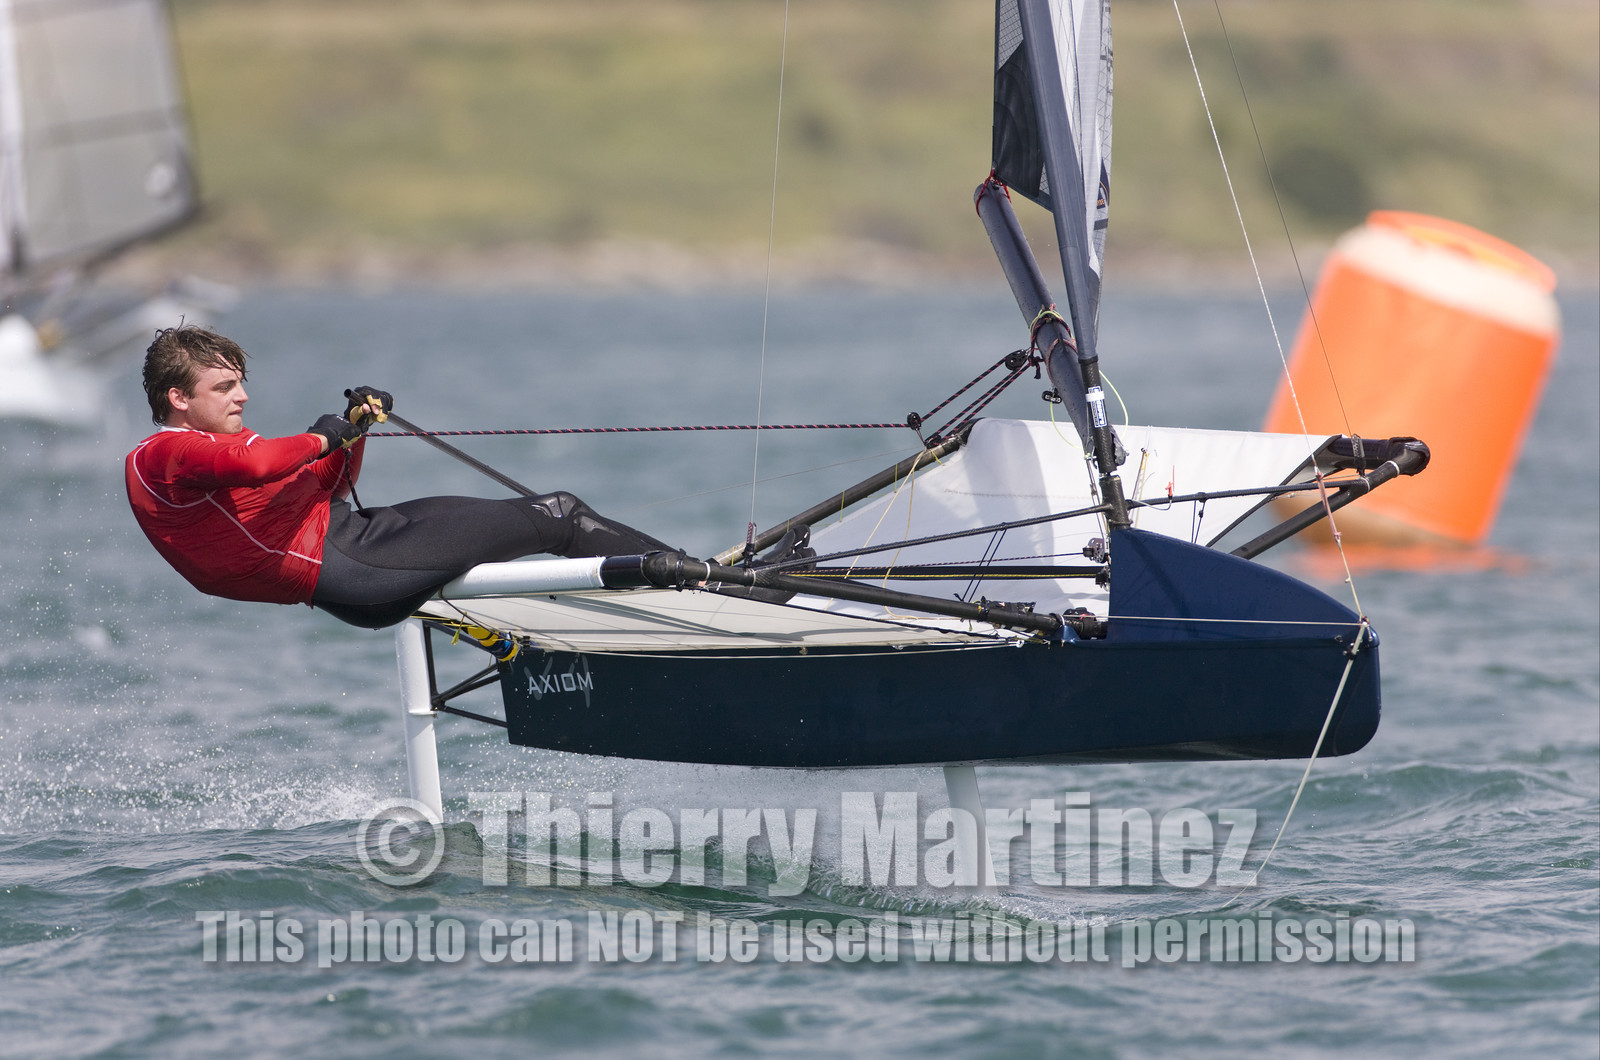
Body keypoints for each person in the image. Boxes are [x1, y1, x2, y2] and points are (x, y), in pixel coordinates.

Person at [125, 325, 675, 629]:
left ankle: (686, 583)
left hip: (356, 538)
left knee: (556, 512)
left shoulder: (211, 448)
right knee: (558, 514)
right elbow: (262, 464)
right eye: (224, 388)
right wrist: (323, 434)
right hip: (350, 567)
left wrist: (355, 429)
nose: (242, 396)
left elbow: (328, 486)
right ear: (178, 398)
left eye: (240, 382)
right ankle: (704, 587)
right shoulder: (163, 455)